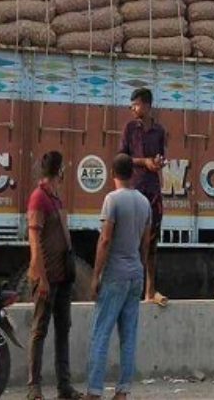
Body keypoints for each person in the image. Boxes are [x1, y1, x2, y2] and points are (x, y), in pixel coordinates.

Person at [85, 154, 152, 400]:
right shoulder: (144, 202)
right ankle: (122, 391)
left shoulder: (111, 200)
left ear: (113, 174)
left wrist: (95, 276)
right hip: (135, 273)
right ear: (132, 173)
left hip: (115, 274)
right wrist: (141, 268)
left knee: (101, 333)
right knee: (129, 336)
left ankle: (93, 392)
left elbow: (105, 240)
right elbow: (146, 242)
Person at [27, 151, 81, 400]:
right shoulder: (39, 199)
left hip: (62, 277)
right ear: (59, 170)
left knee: (62, 330)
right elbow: (34, 239)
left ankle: (64, 387)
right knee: (39, 331)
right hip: (48, 277)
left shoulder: (55, 198)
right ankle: (34, 388)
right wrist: (41, 277)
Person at [118, 87, 168, 306]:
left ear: (147, 106)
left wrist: (157, 162)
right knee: (133, 242)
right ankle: (132, 291)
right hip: (134, 190)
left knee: (152, 243)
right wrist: (143, 162)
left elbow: (161, 157)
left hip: (153, 190)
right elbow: (122, 158)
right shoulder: (129, 129)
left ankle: (150, 291)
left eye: (136, 104)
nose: (133, 109)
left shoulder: (159, 131)